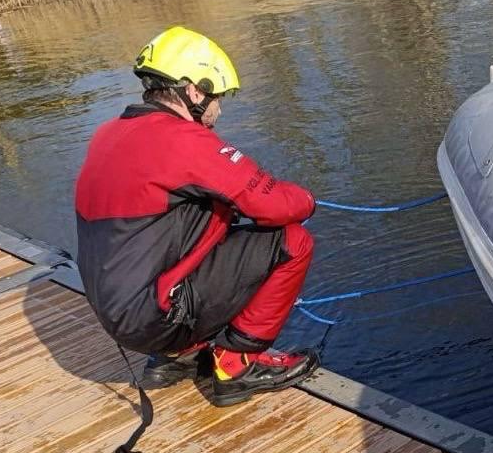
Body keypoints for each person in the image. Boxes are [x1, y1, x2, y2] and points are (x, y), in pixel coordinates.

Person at [75, 26, 320, 406]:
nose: (219, 109)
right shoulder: (182, 140)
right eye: (218, 97)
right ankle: (237, 364)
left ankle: (179, 355)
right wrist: (308, 198)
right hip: (155, 317)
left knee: (210, 220)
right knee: (292, 242)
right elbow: (274, 204)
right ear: (194, 91)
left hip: (117, 314)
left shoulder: (108, 133)